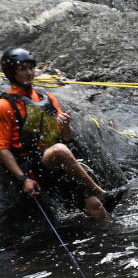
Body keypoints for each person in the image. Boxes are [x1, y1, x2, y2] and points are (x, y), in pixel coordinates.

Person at [0, 48, 125, 221]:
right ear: (11, 73)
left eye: (31, 68)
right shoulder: (5, 105)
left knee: (96, 207)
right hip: (34, 166)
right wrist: (23, 179)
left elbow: (67, 137)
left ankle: (110, 237)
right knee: (60, 150)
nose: (29, 73)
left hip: (61, 163)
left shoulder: (47, 98)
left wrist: (65, 126)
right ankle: (103, 194)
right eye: (23, 69)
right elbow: (3, 149)